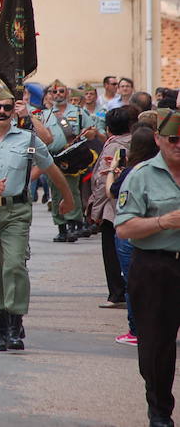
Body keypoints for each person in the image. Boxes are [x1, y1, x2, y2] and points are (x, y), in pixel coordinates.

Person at [0, 84, 74, 351]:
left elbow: (52, 169)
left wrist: (67, 198)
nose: (1, 111)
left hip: (15, 210)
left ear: (14, 111)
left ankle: (14, 324)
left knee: (14, 264)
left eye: (7, 107)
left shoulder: (27, 139)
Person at [114, 108, 180, 427]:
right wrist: (162, 222)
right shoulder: (141, 175)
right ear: (158, 139)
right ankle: (159, 409)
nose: (179, 145)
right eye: (173, 139)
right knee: (157, 344)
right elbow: (124, 228)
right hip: (157, 266)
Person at [107, 124, 158, 347]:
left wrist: (112, 171)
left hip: (132, 234)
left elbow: (112, 193)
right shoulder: (155, 170)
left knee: (134, 283)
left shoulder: (133, 171)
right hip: (152, 233)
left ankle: (137, 329)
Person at [87, 106, 136, 309]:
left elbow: (102, 180)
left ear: (108, 127)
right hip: (130, 205)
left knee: (111, 251)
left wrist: (94, 209)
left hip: (112, 207)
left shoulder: (114, 146)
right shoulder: (139, 141)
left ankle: (116, 293)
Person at [42, 79, 96, 242]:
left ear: (68, 93)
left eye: (61, 91)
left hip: (72, 156)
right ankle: (61, 226)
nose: (58, 94)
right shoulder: (45, 115)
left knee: (72, 189)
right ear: (49, 95)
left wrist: (86, 135)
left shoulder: (78, 112)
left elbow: (92, 131)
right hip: (52, 156)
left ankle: (73, 223)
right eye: (54, 92)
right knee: (55, 190)